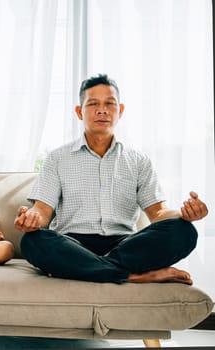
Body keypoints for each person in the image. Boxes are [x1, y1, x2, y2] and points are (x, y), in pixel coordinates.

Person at [15, 74, 208, 285]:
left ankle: (84, 268)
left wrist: (185, 215)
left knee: (184, 232)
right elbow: (42, 211)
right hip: (72, 243)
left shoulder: (138, 160)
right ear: (79, 112)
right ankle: (134, 276)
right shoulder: (57, 158)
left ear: (120, 110)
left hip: (125, 245)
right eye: (93, 104)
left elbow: (158, 213)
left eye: (110, 103)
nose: (102, 110)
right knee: (33, 241)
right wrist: (31, 218)